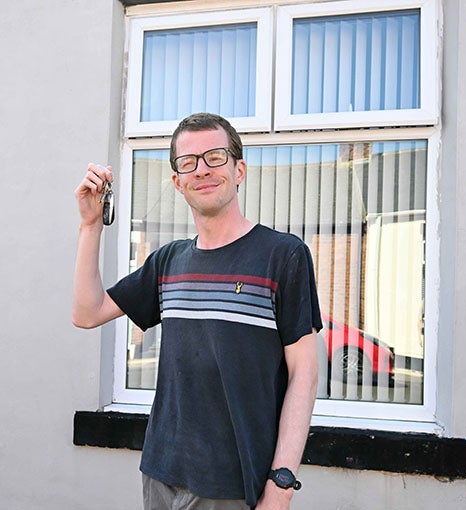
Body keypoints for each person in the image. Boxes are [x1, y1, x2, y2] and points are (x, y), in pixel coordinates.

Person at [72, 113, 321, 510]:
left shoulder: (283, 255)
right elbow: (87, 312)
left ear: (239, 170)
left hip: (231, 485)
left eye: (215, 157)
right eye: (188, 162)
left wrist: (281, 484)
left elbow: (304, 375)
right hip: (161, 473)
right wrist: (90, 226)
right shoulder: (168, 262)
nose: (202, 169)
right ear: (177, 181)